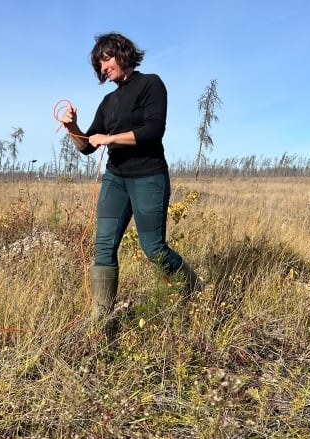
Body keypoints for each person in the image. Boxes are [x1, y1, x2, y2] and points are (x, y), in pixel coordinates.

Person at [60, 32, 202, 335]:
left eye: (106, 60)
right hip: (116, 178)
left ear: (122, 54)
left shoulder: (150, 84)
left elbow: (152, 130)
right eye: (98, 66)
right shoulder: (108, 101)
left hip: (149, 175)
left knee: (153, 248)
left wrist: (110, 138)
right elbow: (87, 146)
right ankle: (100, 317)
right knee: (103, 246)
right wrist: (72, 128)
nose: (102, 69)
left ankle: (194, 292)